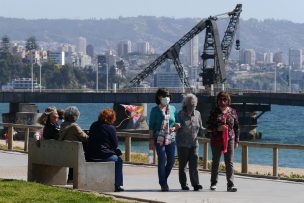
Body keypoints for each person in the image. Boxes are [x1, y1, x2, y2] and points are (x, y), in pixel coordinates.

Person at [206, 91, 240, 192]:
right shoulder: (214, 112)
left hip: (229, 139)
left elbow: (237, 127)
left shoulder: (232, 112)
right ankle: (213, 183)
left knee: (229, 162)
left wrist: (237, 140)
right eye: (220, 99)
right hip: (216, 139)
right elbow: (208, 127)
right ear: (218, 100)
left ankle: (230, 184)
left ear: (228, 100)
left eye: (225, 99)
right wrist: (217, 128)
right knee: (216, 161)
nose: (222, 101)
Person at [85, 108, 124, 192]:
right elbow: (115, 145)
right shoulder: (111, 128)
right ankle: (117, 185)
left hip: (90, 155)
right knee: (118, 161)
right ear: (111, 118)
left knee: (115, 156)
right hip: (103, 155)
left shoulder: (94, 125)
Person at [149, 88, 180, 192]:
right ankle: (163, 183)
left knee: (171, 161)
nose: (167, 98)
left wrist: (174, 128)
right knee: (162, 159)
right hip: (159, 137)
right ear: (159, 97)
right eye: (164, 96)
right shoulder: (154, 110)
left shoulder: (173, 108)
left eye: (168, 96)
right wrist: (151, 140)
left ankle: (163, 179)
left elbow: (178, 123)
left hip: (171, 137)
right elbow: (151, 126)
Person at [176, 93, 204, 191]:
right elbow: (175, 127)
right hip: (182, 143)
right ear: (185, 104)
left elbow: (200, 127)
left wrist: (208, 129)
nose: (192, 105)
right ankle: (184, 184)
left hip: (194, 144)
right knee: (183, 165)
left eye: (193, 104)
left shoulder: (198, 114)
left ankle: (196, 184)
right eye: (190, 103)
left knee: (194, 165)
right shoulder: (180, 114)